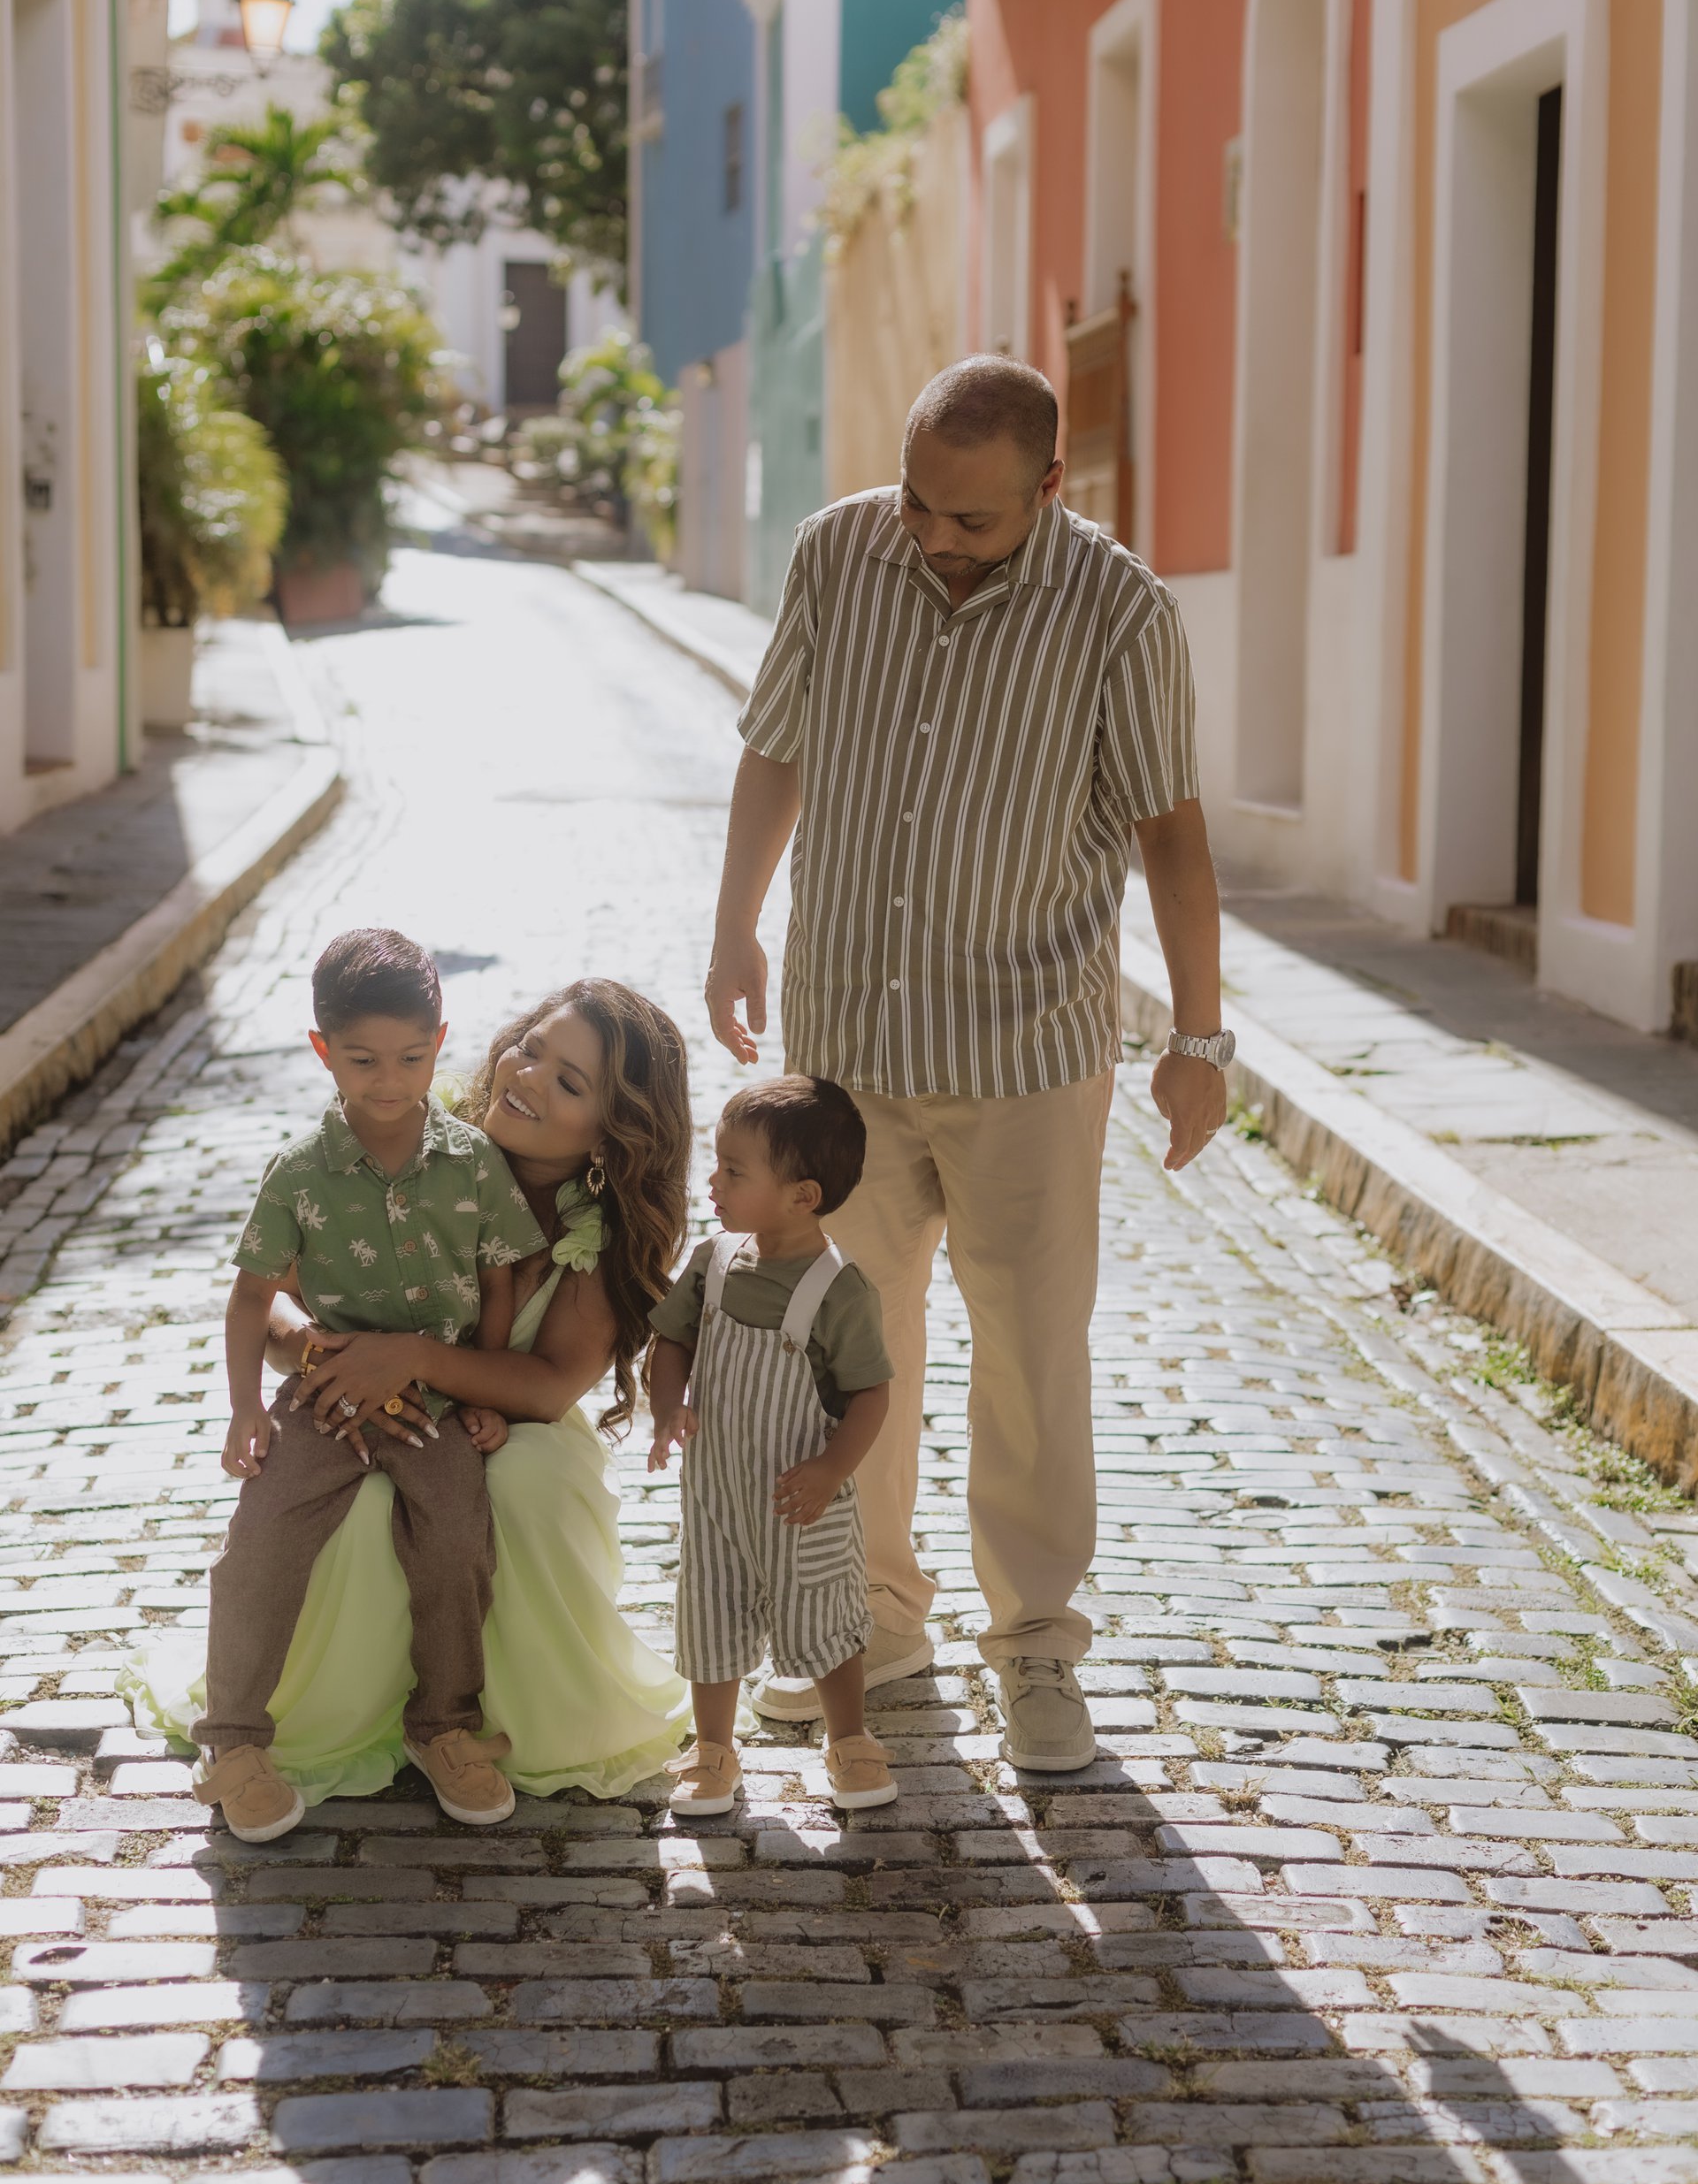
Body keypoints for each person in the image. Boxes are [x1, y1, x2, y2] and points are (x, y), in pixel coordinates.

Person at [705, 354, 1231, 1775]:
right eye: (918, 503)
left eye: (972, 520)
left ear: (1050, 487)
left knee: (1032, 1356)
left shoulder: (1120, 610)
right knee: (847, 1345)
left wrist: (1197, 1036)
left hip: (1028, 1049)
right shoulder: (837, 554)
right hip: (849, 1044)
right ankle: (870, 1623)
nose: (932, 536)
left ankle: (1038, 1645)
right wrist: (735, 928)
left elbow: (1170, 830)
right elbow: (776, 750)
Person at [124, 978, 694, 1813]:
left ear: (614, 1133)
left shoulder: (597, 1235)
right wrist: (329, 1358)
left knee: (514, 1486)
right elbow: (272, 1299)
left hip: (506, 1419)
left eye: (570, 1082)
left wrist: (414, 1359)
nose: (529, 1077)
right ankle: (261, 1727)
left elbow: (547, 1386)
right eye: (530, 1048)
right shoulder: (402, 1136)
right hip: (357, 1391)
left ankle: (458, 1720)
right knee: (329, 1504)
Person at [194, 928, 547, 1844]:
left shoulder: (474, 1162)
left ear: (440, 1044)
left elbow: (501, 1277)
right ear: (323, 1050)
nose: (389, 1081)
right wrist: (245, 1409)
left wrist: (484, 1393)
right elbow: (251, 1296)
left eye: (412, 1058)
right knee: (258, 1541)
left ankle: (444, 1726)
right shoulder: (298, 1175)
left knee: (458, 1540)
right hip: (328, 1397)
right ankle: (232, 1742)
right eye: (362, 1060)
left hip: (433, 1404)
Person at [647, 1075, 895, 1816]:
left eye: (733, 1171)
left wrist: (830, 1469)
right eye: (716, 1165)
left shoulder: (840, 1290)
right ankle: (712, 1749)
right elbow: (671, 1340)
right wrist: (667, 1408)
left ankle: (849, 1740)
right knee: (709, 1611)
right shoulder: (715, 1262)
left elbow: (872, 1395)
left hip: (800, 1502)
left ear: (802, 1196)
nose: (713, 1183)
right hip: (718, 1497)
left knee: (826, 1616)